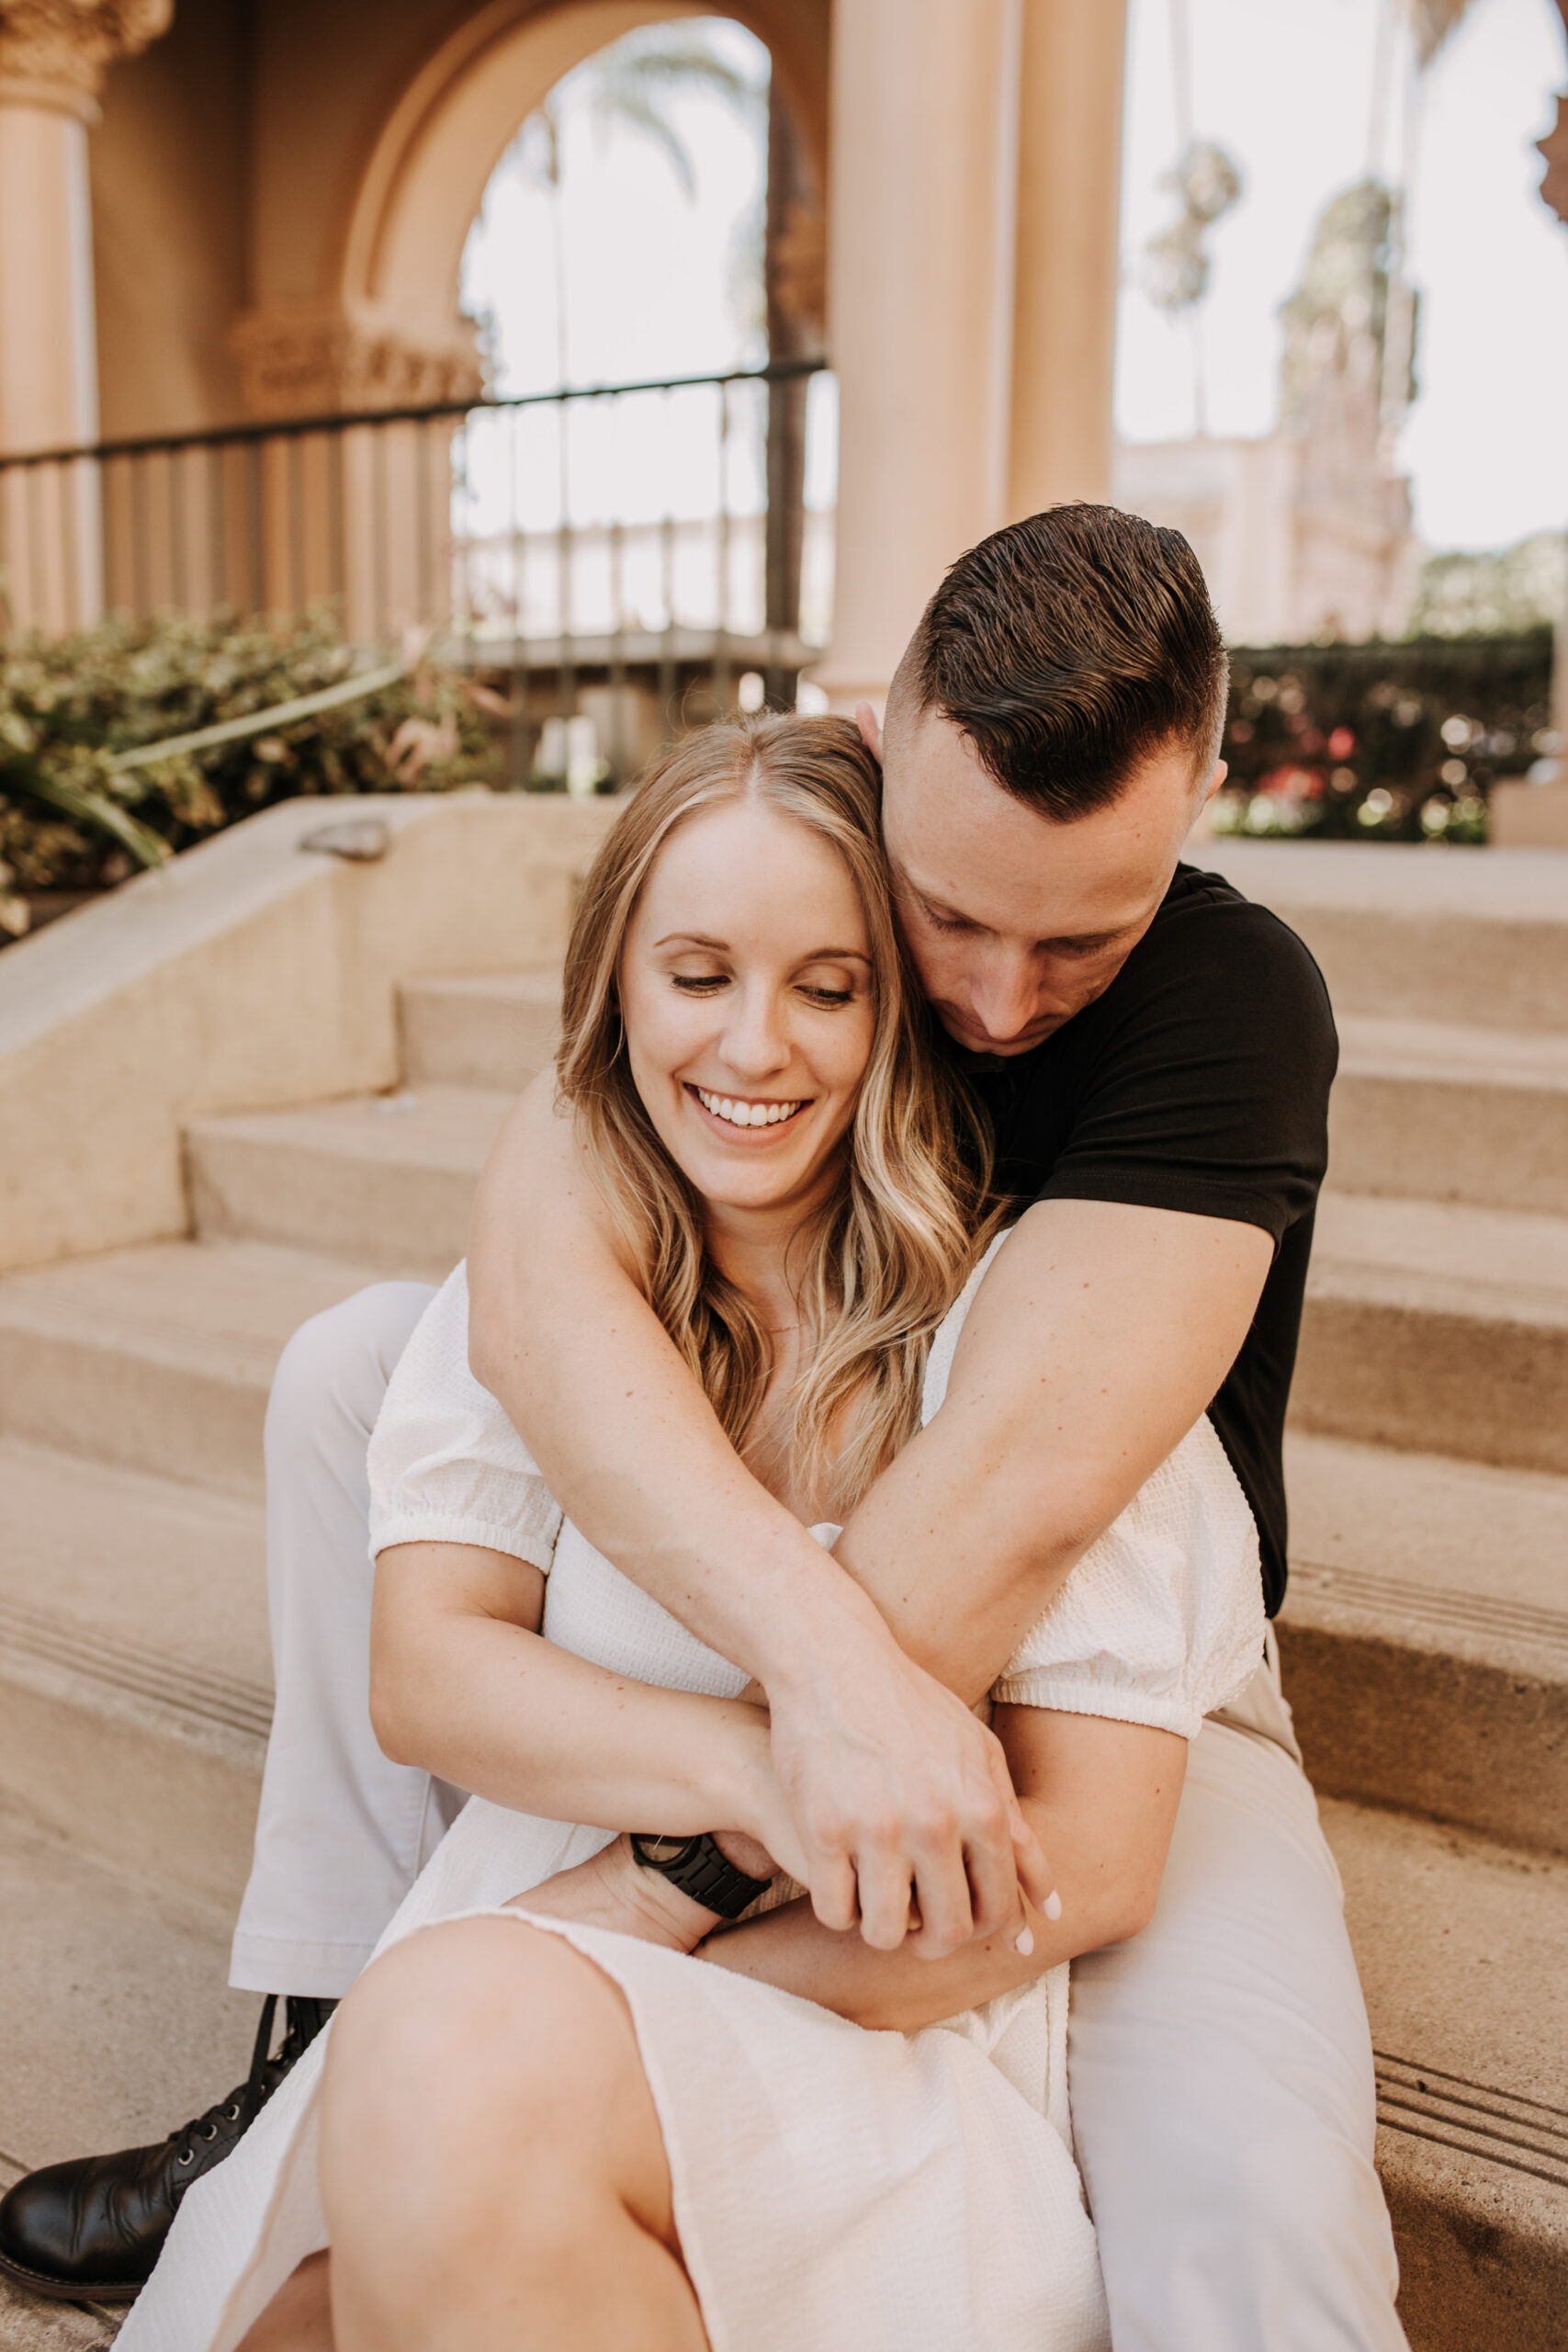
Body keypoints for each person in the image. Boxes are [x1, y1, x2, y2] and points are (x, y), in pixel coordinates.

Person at [0, 505, 1405, 2348]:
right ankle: (323, 2041)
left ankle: (443, 2062)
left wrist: (668, 1877)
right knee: (361, 1361)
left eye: (1074, 938)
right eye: (948, 919)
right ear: (879, 736)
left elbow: (1019, 1493)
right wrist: (780, 1741)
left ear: (1202, 794)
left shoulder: (1223, 1004)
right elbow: (533, 1261)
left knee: (1251, 2227)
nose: (989, 1000)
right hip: (819, 1634)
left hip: (1120, 1650)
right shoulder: (780, 873)